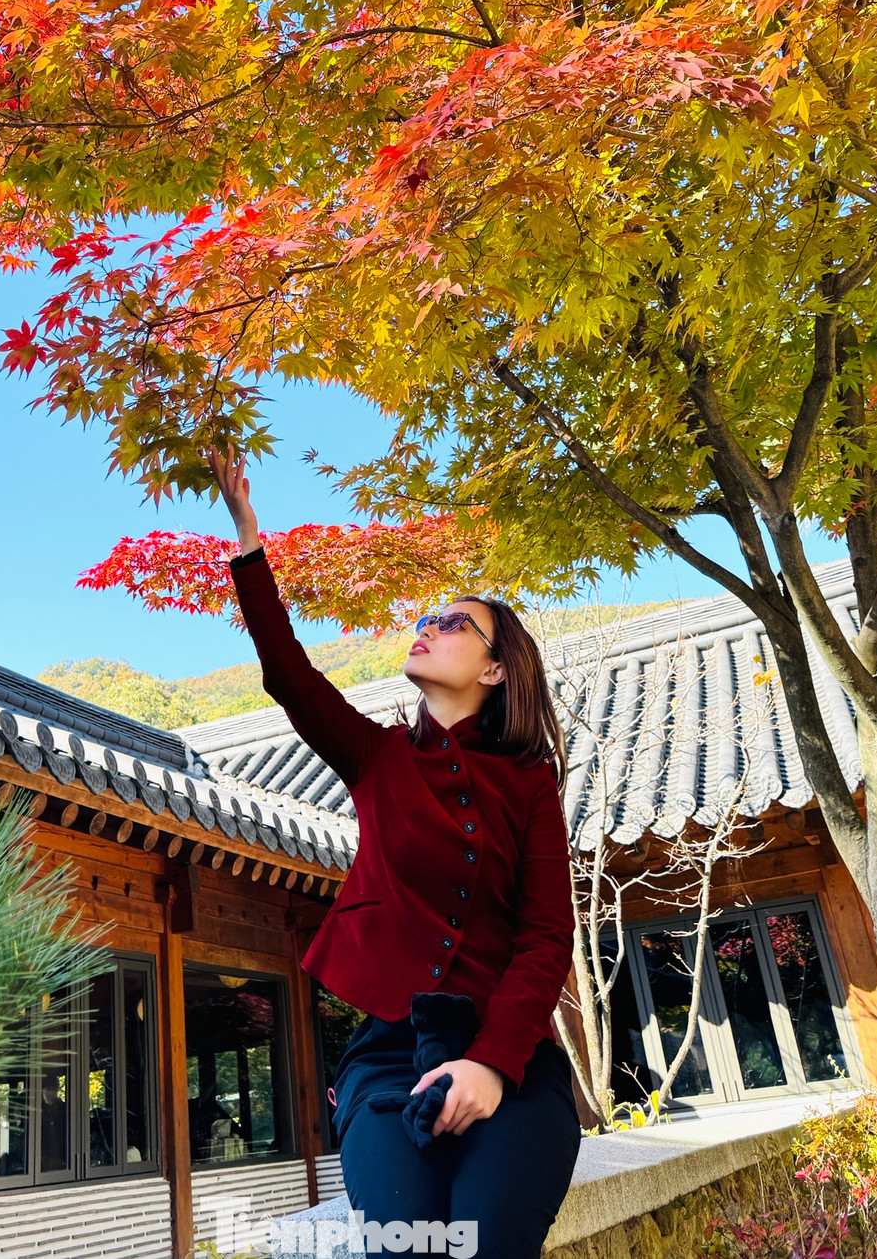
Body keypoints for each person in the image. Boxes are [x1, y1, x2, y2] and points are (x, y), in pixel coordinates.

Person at [209, 445, 582, 1259]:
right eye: (424, 619)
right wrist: (248, 538)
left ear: (495, 667)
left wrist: (491, 1064)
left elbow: (548, 934)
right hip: (388, 1059)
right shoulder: (378, 757)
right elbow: (291, 678)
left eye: (453, 623)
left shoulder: (528, 781)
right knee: (406, 1247)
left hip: (511, 1056)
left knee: (486, 1242)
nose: (427, 627)